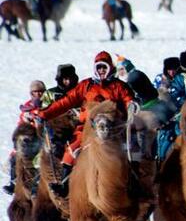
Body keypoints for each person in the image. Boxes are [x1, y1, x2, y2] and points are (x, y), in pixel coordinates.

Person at [36, 52, 135, 196]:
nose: (101, 71)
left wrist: (132, 105)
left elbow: (128, 99)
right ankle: (64, 184)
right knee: (72, 151)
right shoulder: (86, 86)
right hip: (87, 129)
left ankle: (133, 184)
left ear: (109, 68)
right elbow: (66, 102)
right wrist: (45, 114)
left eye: (104, 68)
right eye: (99, 68)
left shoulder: (118, 86)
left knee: (130, 151)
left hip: (113, 129)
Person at [3, 80, 47, 194]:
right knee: (16, 155)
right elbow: (20, 125)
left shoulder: (48, 105)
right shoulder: (27, 107)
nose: (38, 95)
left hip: (43, 137)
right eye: (35, 92)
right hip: (30, 139)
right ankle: (13, 182)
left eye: (40, 92)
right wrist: (26, 121)